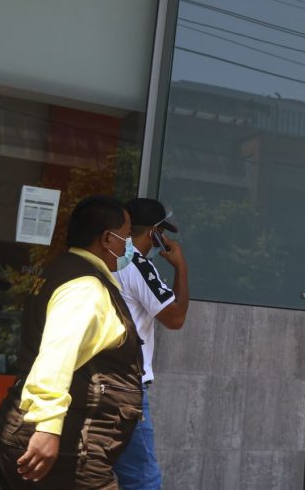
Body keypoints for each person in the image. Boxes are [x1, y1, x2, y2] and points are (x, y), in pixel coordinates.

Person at [0, 195, 143, 488]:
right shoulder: (85, 287)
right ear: (107, 239)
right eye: (126, 237)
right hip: (69, 446)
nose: (129, 246)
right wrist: (48, 427)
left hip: (52, 436)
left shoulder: (62, 271)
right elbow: (57, 354)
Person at [112, 198, 189, 490]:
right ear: (155, 233)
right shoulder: (137, 265)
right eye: (162, 232)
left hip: (101, 380)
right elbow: (175, 318)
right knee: (143, 479)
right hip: (127, 385)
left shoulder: (107, 260)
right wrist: (181, 267)